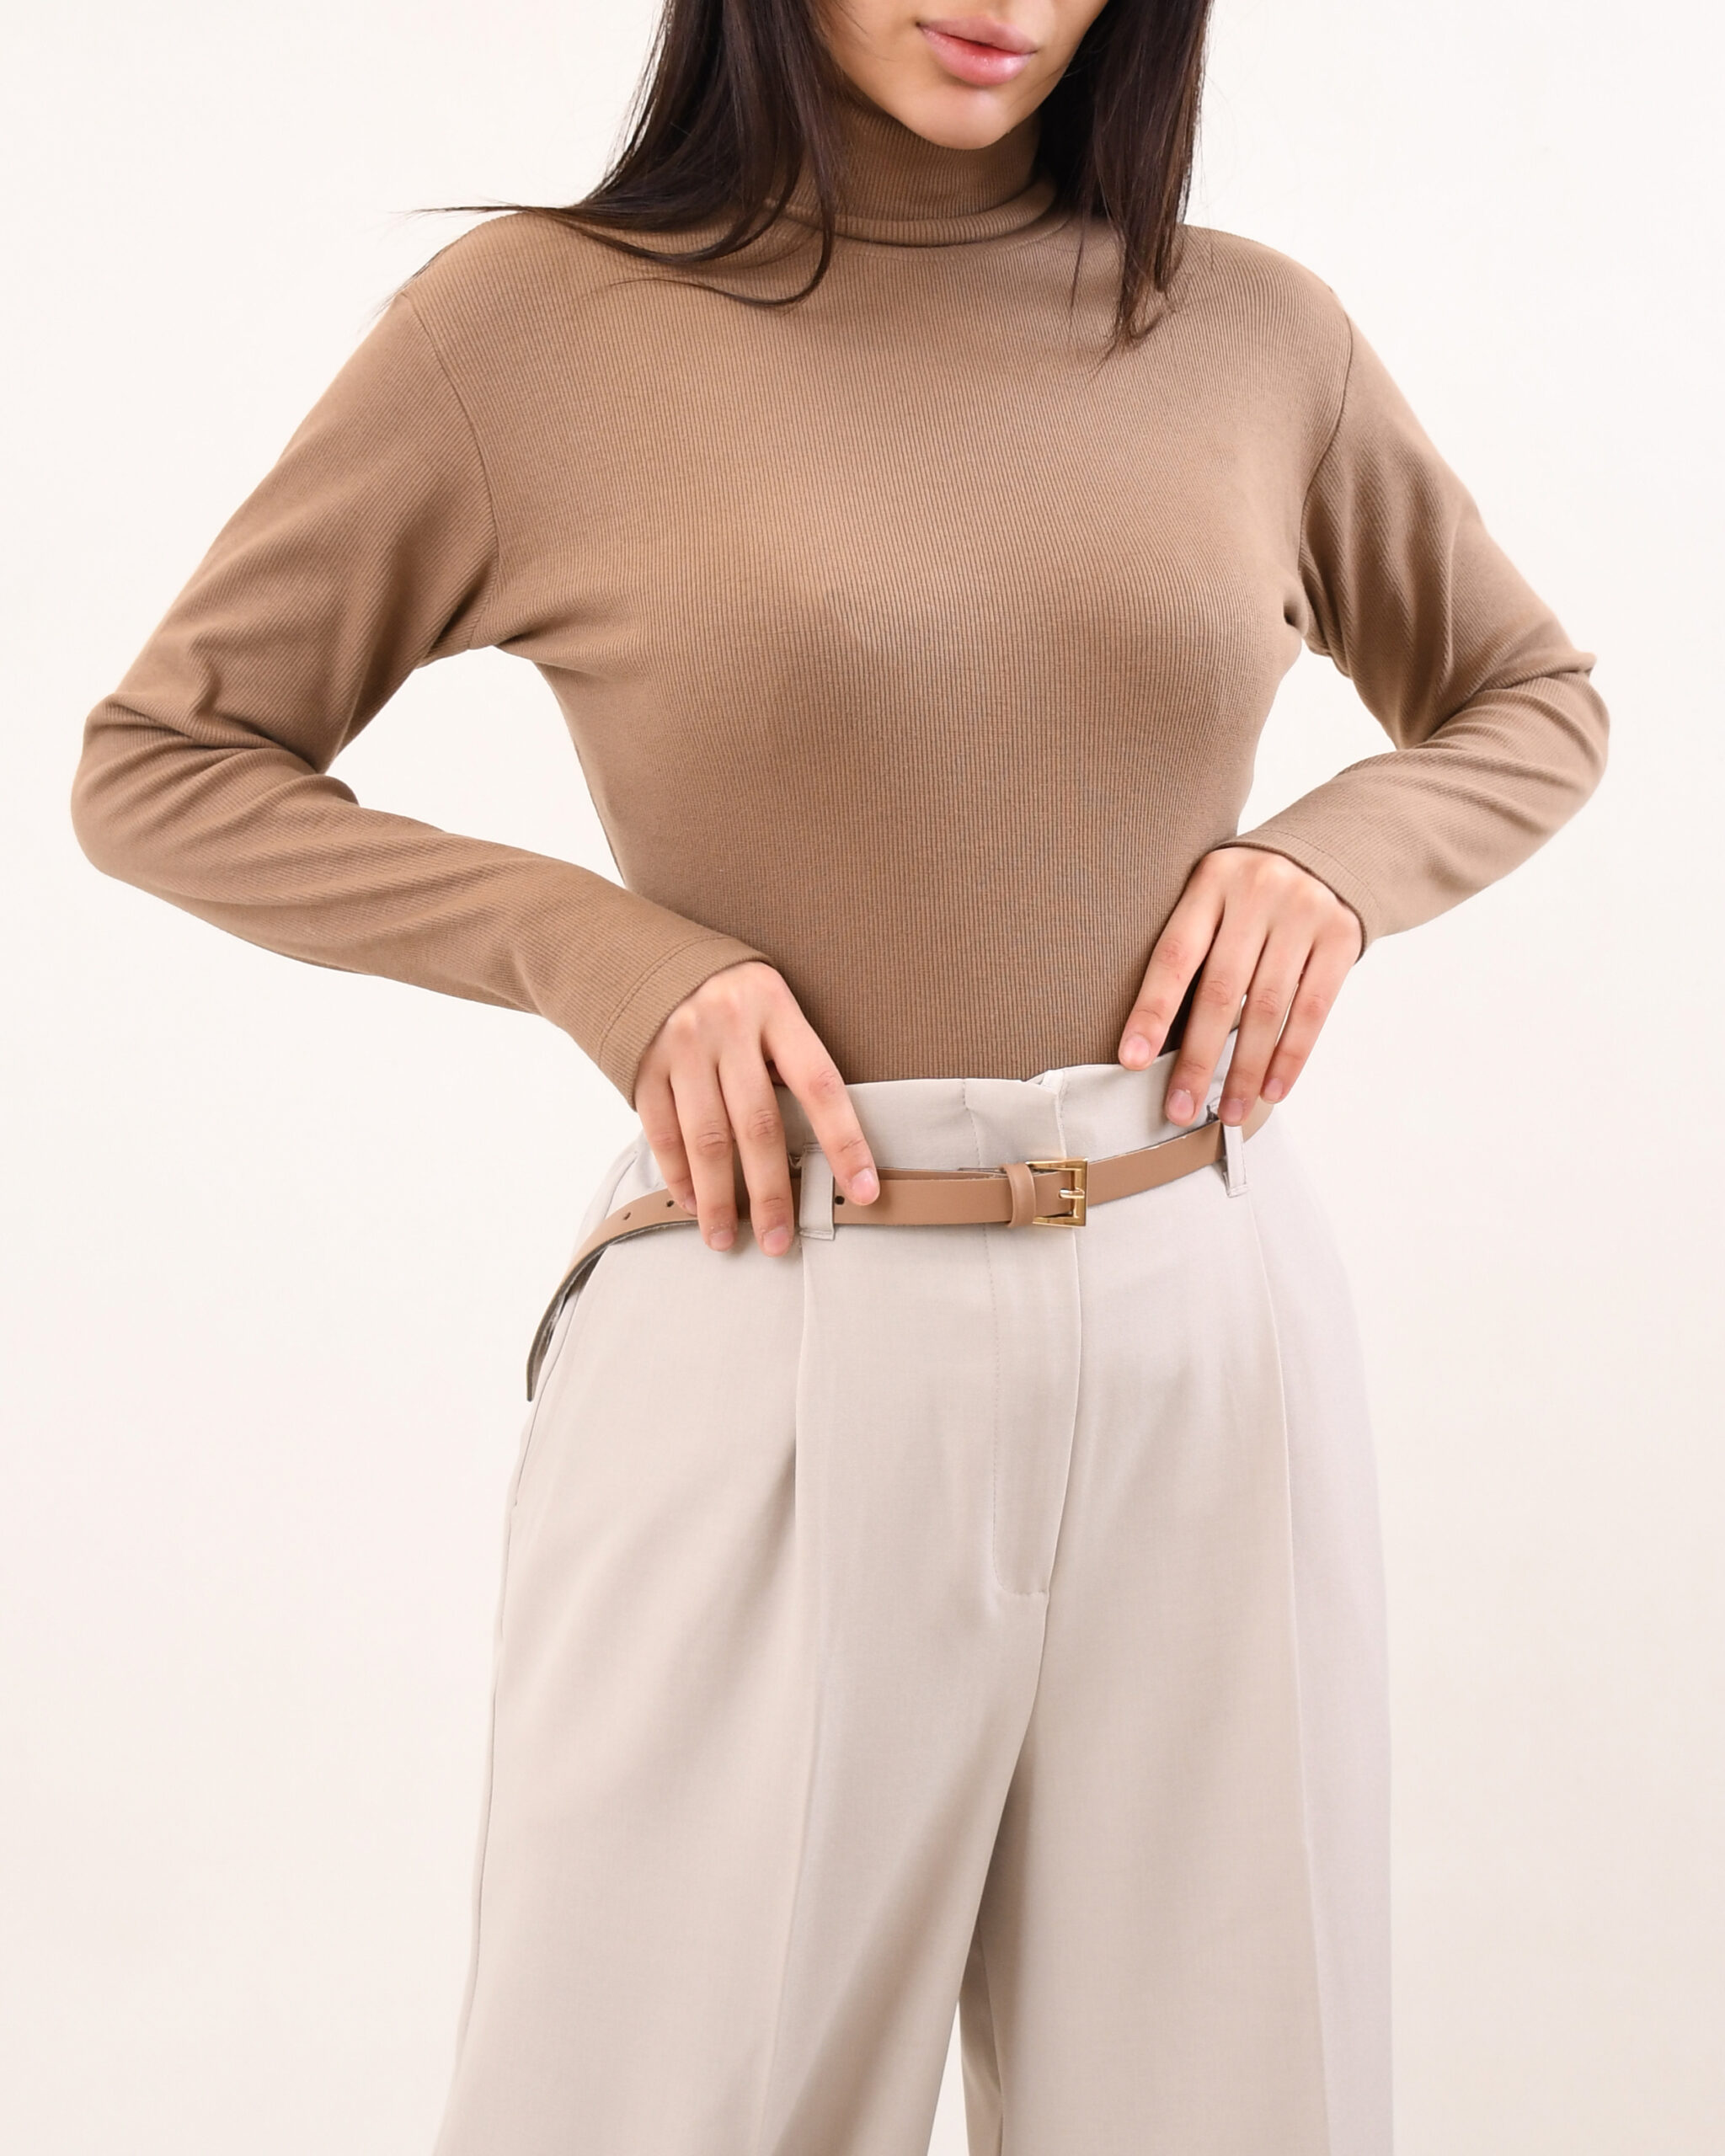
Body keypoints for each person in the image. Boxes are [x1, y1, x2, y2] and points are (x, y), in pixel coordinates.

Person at [70, 3, 1607, 2151]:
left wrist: (1335, 861)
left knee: (1234, 2101)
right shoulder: (530, 328)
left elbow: (1530, 695)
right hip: (774, 1286)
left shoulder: (1255, 334)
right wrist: (593, 951)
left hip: (1204, 1309)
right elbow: (163, 762)